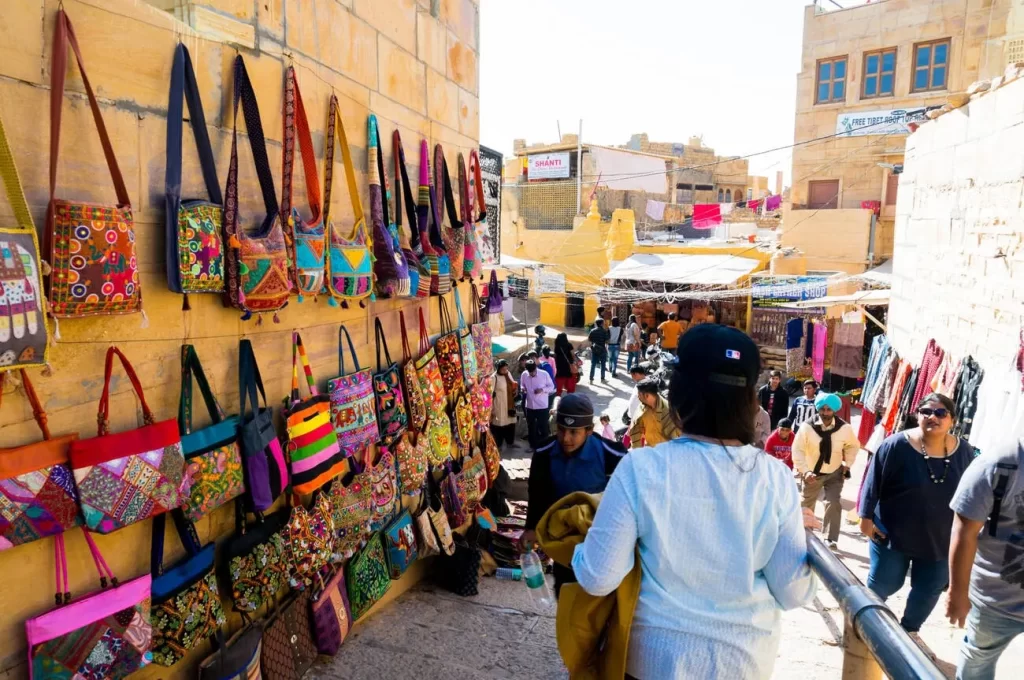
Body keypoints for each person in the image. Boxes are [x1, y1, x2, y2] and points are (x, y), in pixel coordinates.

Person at [570, 324, 816, 679]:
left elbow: (598, 577)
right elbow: (793, 592)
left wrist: (580, 548)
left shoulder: (641, 468)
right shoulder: (775, 479)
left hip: (652, 663)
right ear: (751, 402)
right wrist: (801, 539)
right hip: (743, 664)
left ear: (680, 394)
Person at [858, 393, 974, 633]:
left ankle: (910, 632)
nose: (933, 417)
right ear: (917, 415)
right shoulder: (896, 445)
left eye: (941, 413)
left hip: (941, 539)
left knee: (929, 587)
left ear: (952, 419)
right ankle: (865, 626)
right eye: (926, 412)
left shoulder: (964, 453)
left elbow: (975, 493)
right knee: (884, 582)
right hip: (893, 534)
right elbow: (872, 482)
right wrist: (865, 518)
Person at [523, 394, 627, 595]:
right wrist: (531, 528)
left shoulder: (612, 455)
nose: (566, 438)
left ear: (589, 431)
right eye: (561, 430)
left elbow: (626, 501)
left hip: (600, 541)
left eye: (574, 432)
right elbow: (537, 493)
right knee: (565, 591)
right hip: (564, 542)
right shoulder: (544, 453)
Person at [947, 438, 1023, 679]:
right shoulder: (1000, 462)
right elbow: (964, 531)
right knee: (978, 659)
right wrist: (957, 592)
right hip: (997, 600)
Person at [791, 392, 860, 550]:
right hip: (812, 474)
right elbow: (797, 450)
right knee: (806, 505)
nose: (825, 413)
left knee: (833, 502)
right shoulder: (807, 427)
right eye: (823, 409)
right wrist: (805, 471)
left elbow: (853, 445)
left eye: (829, 409)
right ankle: (803, 536)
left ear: (834, 410)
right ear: (818, 409)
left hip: (835, 472)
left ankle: (830, 538)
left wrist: (847, 464)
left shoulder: (844, 428)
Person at [628, 377, 681, 448]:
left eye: (639, 394)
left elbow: (675, 440)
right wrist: (637, 452)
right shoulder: (642, 407)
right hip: (650, 450)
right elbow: (635, 430)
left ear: (646, 395)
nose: (638, 397)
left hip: (665, 453)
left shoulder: (668, 412)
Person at [520, 359, 555, 450]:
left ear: (536, 368)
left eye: (533, 372)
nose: (532, 374)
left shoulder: (544, 374)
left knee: (543, 426)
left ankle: (544, 446)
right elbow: (522, 385)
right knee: (531, 426)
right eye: (530, 373)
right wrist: (523, 389)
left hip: (542, 406)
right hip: (530, 405)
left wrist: (542, 390)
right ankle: (532, 446)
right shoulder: (524, 374)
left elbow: (551, 387)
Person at [490, 359, 519, 449]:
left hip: (509, 404)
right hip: (499, 405)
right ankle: (498, 445)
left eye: (506, 368)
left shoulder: (508, 374)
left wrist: (515, 390)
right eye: (503, 369)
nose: (505, 370)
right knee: (499, 425)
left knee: (511, 424)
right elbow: (490, 393)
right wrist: (492, 408)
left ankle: (510, 443)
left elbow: (512, 383)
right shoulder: (494, 377)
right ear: (498, 369)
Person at [553, 332, 578, 396]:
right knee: (570, 384)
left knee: (559, 382)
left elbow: (555, 355)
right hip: (568, 366)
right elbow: (572, 354)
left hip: (559, 366)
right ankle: (570, 396)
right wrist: (574, 361)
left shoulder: (557, 345)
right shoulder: (569, 345)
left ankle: (558, 396)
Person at [588, 319, 610, 383]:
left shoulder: (592, 331)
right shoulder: (604, 331)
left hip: (594, 350)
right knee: (603, 365)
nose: (604, 323)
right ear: (601, 324)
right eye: (603, 322)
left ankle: (591, 379)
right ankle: (602, 379)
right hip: (602, 350)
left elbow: (589, 340)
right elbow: (607, 341)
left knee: (593, 365)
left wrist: (592, 346)